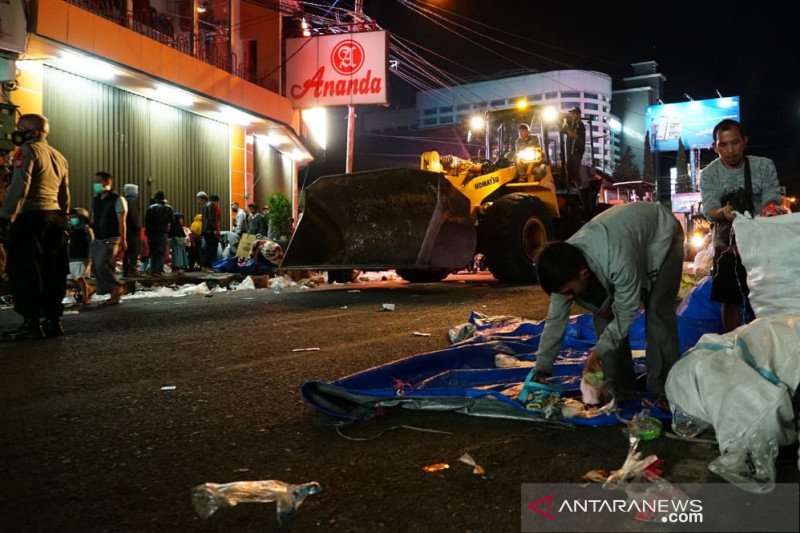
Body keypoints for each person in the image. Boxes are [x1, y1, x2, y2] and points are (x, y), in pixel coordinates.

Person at [531, 202, 684, 409]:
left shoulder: (617, 259)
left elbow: (626, 313)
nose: (567, 298)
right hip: (626, 240)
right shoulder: (562, 270)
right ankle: (621, 390)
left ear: (584, 273)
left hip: (662, 233)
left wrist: (597, 353)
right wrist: (541, 371)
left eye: (569, 292)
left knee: (657, 312)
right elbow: (555, 322)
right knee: (603, 314)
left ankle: (664, 390)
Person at [699, 119, 782, 333]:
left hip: (761, 241)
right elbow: (709, 208)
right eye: (723, 145)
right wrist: (722, 212)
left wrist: (767, 212)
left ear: (745, 142)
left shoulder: (764, 165)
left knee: (765, 296)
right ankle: (733, 345)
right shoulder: (708, 174)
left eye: (735, 143)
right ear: (715, 147)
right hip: (727, 245)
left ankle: (767, 341)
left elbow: (772, 199)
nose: (730, 150)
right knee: (730, 299)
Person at [0, 113, 70, 339]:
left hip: (32, 217)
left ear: (34, 132)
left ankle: (31, 323)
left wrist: (6, 215)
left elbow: (21, 185)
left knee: (26, 270)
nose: (17, 130)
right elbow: (64, 193)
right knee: (53, 270)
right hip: (55, 217)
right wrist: (64, 217)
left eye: (21, 126)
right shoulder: (59, 155)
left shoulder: (27, 150)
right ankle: (53, 320)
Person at [90, 171, 127, 306]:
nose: (96, 184)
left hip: (112, 237)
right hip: (98, 237)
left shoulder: (117, 199)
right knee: (99, 265)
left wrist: (123, 239)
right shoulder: (96, 200)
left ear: (108, 182)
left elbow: (122, 221)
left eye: (99, 181)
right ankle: (114, 295)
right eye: (95, 181)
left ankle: (117, 286)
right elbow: (93, 218)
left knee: (101, 264)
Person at [67, 207, 94, 305]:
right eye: (72, 217)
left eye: (75, 217)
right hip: (72, 257)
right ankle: (89, 289)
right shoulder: (71, 230)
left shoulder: (86, 230)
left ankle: (86, 298)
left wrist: (89, 258)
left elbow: (91, 244)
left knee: (79, 278)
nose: (73, 219)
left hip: (82, 257)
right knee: (71, 278)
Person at [144, 190, 173, 276]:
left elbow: (147, 222)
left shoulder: (150, 208)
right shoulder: (168, 208)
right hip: (163, 233)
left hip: (152, 233)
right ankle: (158, 270)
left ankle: (152, 270)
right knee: (161, 252)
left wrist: (147, 233)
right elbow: (171, 221)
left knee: (153, 251)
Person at [561, 106, 586, 186]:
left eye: (573, 113)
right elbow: (564, 130)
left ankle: (579, 186)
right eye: (571, 113)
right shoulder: (572, 124)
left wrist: (567, 130)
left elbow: (577, 136)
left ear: (578, 114)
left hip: (577, 152)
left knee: (575, 170)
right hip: (570, 152)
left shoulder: (580, 125)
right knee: (569, 169)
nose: (571, 115)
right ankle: (572, 186)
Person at [196, 191, 220, 271]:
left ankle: (205, 267)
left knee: (205, 249)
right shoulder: (211, 205)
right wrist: (215, 230)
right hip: (210, 231)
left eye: (198, 199)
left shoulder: (204, 206)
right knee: (211, 249)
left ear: (203, 198)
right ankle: (209, 266)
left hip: (205, 231)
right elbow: (212, 219)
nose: (198, 201)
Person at [122, 183, 141, 277]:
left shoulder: (124, 200)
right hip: (133, 231)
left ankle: (125, 271)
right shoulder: (132, 201)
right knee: (133, 252)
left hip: (126, 230)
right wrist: (138, 226)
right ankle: (132, 271)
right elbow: (134, 217)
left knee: (126, 252)